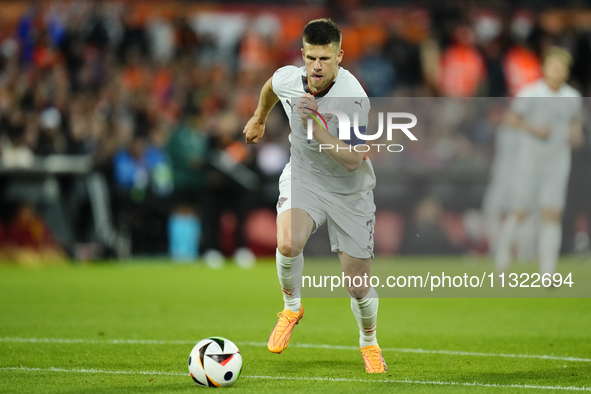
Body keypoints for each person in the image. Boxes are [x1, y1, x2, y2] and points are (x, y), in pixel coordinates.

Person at [243, 19, 386, 373]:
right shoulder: (289, 79)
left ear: (339, 56)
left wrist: (314, 126)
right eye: (310, 58)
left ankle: (368, 342)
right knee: (288, 242)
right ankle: (291, 307)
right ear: (302, 55)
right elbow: (270, 87)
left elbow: (354, 160)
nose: (316, 67)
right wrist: (260, 117)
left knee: (357, 285)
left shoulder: (353, 98)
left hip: (349, 192)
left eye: (324, 58)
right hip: (304, 180)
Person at [495, 47, 583, 276]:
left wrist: (575, 134)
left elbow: (574, 123)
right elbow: (510, 119)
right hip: (530, 161)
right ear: (545, 67)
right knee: (521, 211)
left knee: (552, 213)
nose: (557, 69)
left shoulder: (572, 97)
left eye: (562, 66)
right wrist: (532, 128)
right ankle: (503, 253)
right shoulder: (530, 93)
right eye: (553, 64)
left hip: (557, 163)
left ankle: (548, 271)